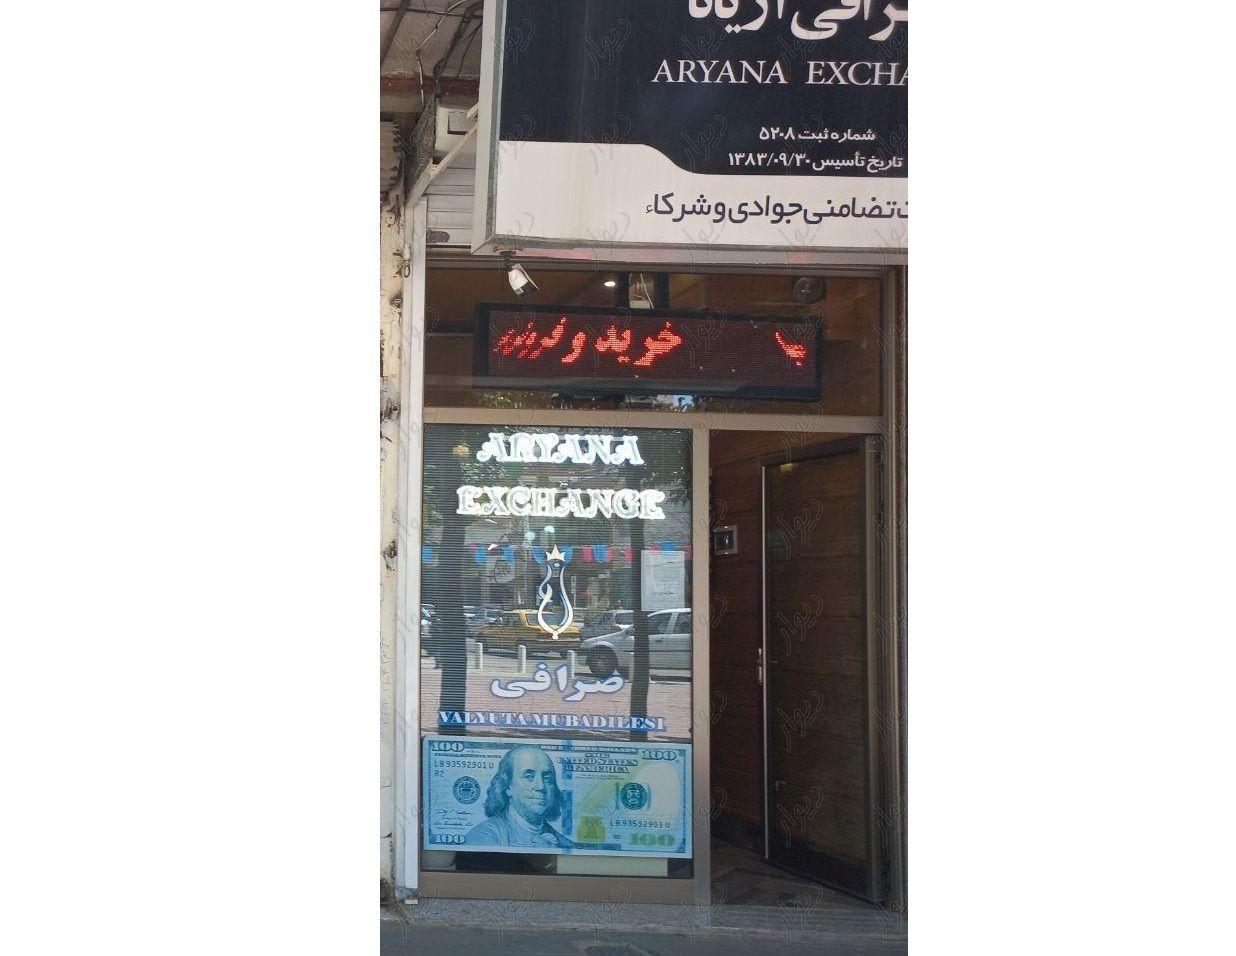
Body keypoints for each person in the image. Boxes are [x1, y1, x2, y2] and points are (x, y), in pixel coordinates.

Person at [464, 745, 574, 850]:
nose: (541, 786)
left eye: (547, 778)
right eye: (528, 777)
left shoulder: (566, 845)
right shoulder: (482, 837)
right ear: (508, 786)